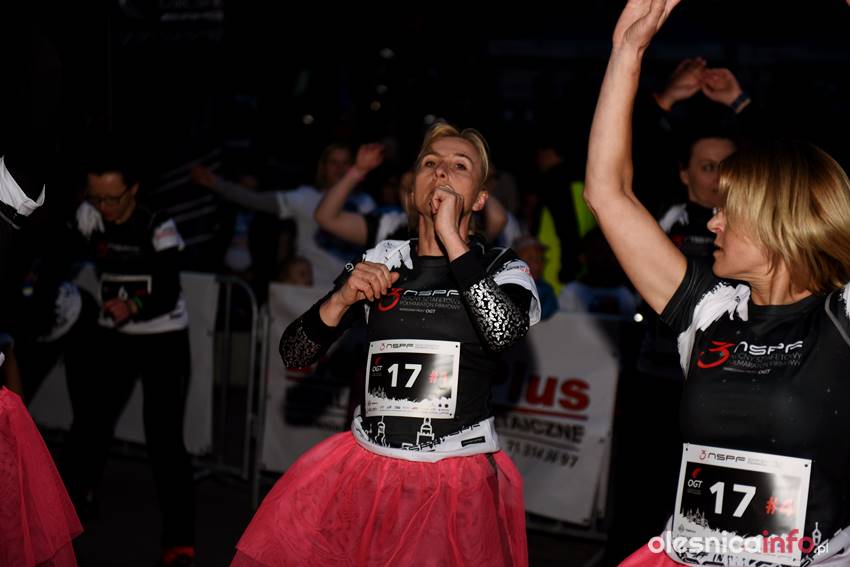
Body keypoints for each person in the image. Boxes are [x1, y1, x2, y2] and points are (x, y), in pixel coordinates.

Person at [586, 1, 850, 566]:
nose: (712, 222)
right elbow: (607, 194)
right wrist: (626, 53)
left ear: (780, 220)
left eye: (731, 209)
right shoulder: (710, 312)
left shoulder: (842, 318)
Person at [232, 122, 541, 567]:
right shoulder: (383, 258)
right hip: (367, 469)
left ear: (478, 198)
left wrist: (453, 239)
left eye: (459, 166)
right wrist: (341, 299)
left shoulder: (502, 266)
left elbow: (503, 332)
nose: (441, 172)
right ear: (412, 190)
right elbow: (294, 354)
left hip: (453, 476)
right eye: (430, 163)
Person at [65, 145, 196, 567]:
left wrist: (133, 305)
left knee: (164, 439)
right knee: (90, 424)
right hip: (114, 337)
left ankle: (179, 540)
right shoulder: (89, 217)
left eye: (112, 198)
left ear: (133, 190)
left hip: (163, 338)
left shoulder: (158, 225)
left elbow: (168, 289)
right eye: (96, 197)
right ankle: (70, 512)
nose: (104, 207)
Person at [191, 143, 375, 285]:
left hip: (352, 291)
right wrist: (217, 184)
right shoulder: (304, 197)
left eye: (345, 163)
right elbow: (254, 200)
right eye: (334, 163)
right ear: (323, 167)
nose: (339, 168)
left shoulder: (365, 203)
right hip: (309, 291)